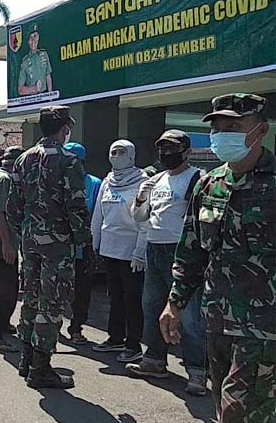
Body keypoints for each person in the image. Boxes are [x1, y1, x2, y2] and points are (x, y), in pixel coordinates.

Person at [162, 93, 275, 423]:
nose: (223, 134)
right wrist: (175, 303)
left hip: (264, 328)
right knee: (225, 404)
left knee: (239, 412)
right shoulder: (209, 184)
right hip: (217, 321)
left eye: (234, 126)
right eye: (218, 127)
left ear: (261, 130)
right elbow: (192, 249)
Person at [8, 106, 91, 389]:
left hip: (30, 239)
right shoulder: (68, 160)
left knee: (31, 297)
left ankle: (26, 359)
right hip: (57, 242)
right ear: (63, 128)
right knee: (52, 301)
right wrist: (84, 241)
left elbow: (13, 206)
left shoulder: (23, 159)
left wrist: (25, 232)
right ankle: (41, 369)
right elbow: (75, 204)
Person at [128, 129, 207, 396]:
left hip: (182, 251)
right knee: (151, 306)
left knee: (188, 315)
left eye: (172, 149)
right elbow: (139, 216)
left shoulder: (197, 178)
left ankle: (197, 371)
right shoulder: (156, 179)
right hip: (154, 248)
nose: (166, 154)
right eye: (162, 149)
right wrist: (141, 197)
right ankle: (154, 360)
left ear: (186, 151)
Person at [89, 140, 148, 363]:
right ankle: (115, 338)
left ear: (132, 155)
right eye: (113, 152)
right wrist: (95, 242)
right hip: (109, 248)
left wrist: (140, 251)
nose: (117, 155)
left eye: (122, 152)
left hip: (131, 250)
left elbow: (145, 220)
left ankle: (133, 345)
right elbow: (98, 214)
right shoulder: (107, 181)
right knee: (114, 296)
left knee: (132, 298)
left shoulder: (142, 182)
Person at [0, 146, 24, 354]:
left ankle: (4, 325)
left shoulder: (1, 178)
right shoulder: (5, 180)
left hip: (4, 244)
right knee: (5, 293)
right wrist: (7, 244)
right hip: (1, 246)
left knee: (10, 288)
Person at [62, 142, 102, 345]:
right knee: (57, 290)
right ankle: (55, 325)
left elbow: (97, 215)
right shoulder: (59, 181)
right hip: (60, 248)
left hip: (83, 247)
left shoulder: (95, 184)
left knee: (82, 291)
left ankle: (76, 327)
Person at [17, 24, 53, 96]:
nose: (33, 40)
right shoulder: (25, 61)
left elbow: (48, 76)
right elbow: (20, 90)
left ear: (38, 37)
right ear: (28, 42)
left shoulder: (44, 54)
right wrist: (34, 89)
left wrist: (50, 97)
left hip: (45, 98)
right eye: (30, 38)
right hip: (32, 100)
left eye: (35, 36)